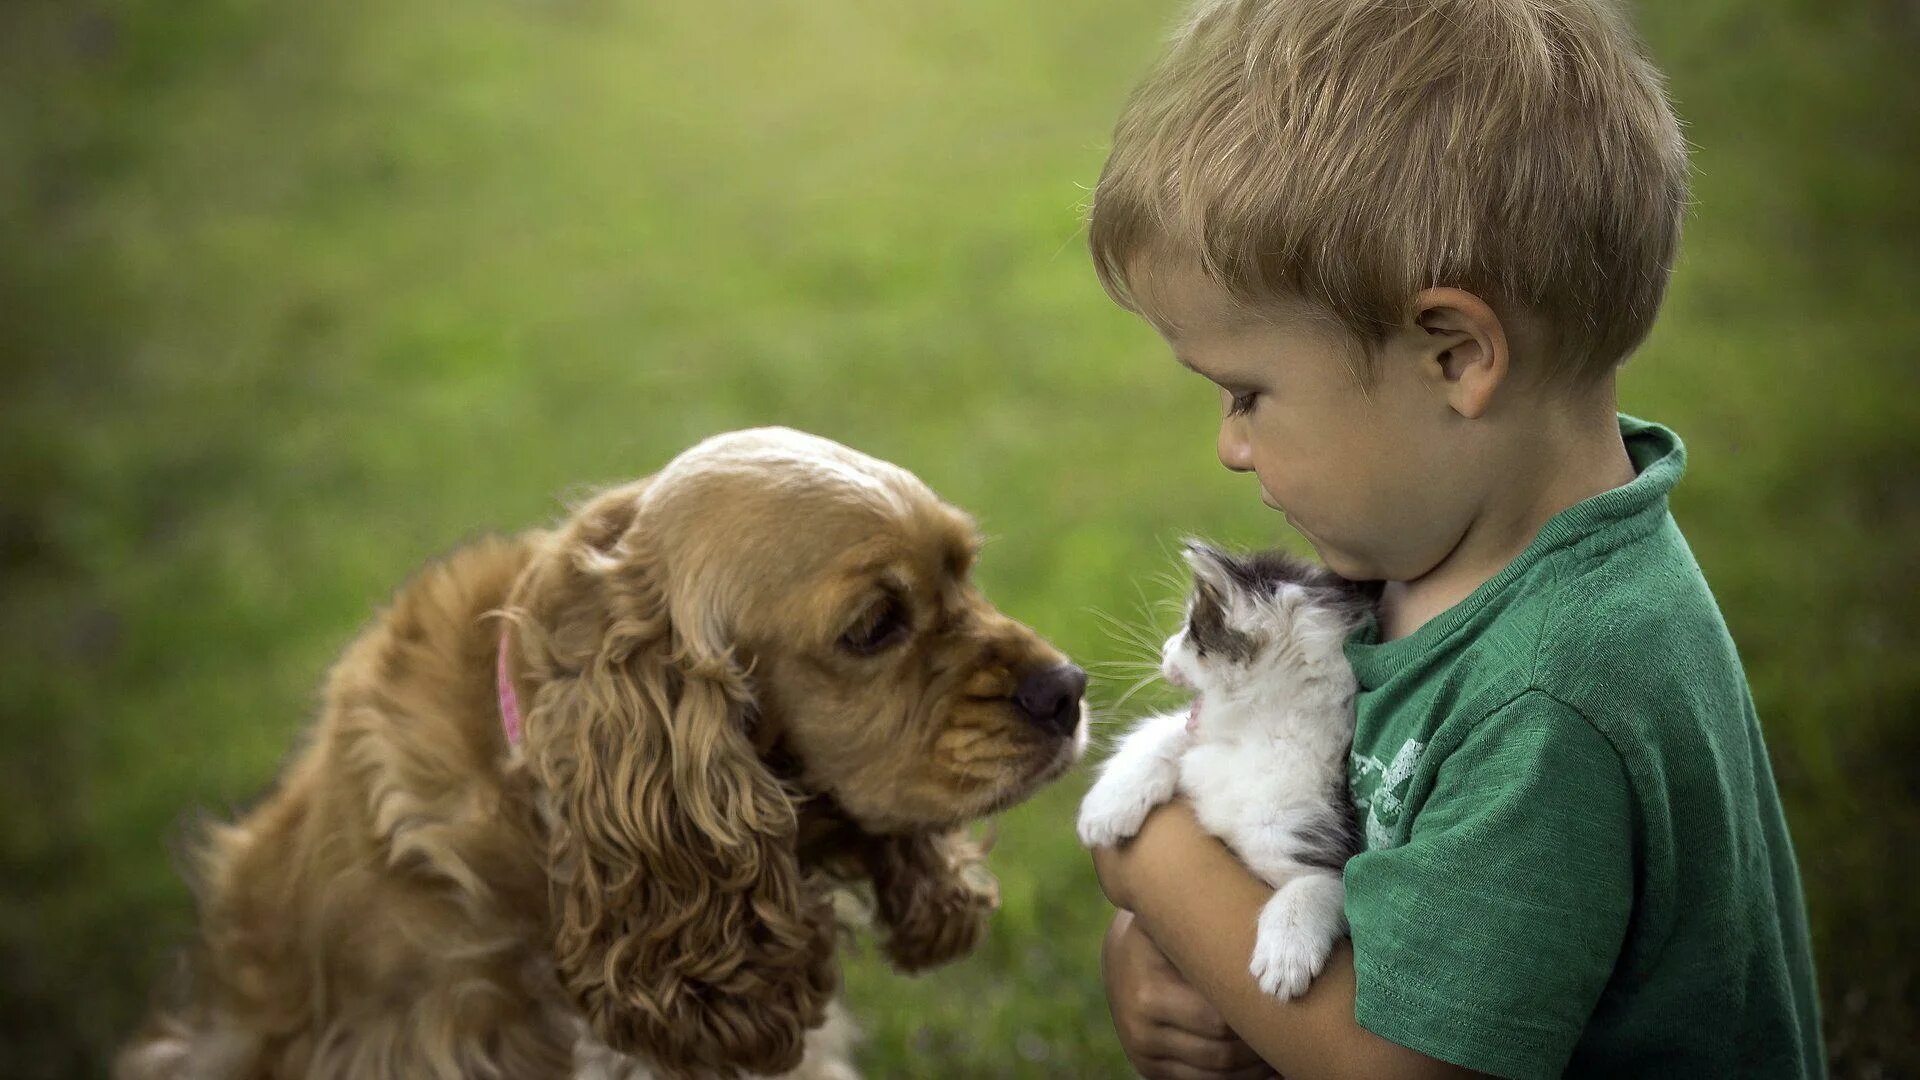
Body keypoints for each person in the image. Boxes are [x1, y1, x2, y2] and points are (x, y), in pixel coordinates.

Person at [1080, 1, 1824, 1077]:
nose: (1231, 449)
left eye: (1248, 394)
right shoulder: (1425, 560)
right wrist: (1158, 965)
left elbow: (1391, 1066)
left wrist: (1153, 862)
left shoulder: (1557, 690)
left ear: (1456, 357)